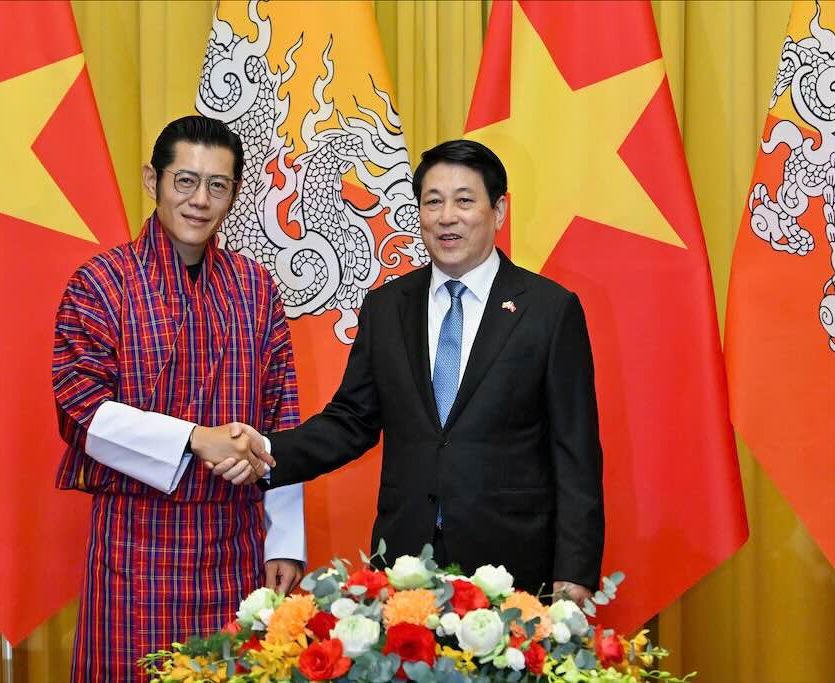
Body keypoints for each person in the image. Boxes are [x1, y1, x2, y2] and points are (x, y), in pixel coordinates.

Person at [221, 139, 604, 603]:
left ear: (498, 210)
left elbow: (575, 452)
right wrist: (263, 449)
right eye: (433, 201)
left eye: (465, 200)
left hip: (514, 567)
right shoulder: (387, 307)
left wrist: (575, 572)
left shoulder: (548, 310)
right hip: (403, 568)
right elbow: (352, 421)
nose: (447, 216)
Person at [53, 115, 304, 681]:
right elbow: (80, 412)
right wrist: (195, 438)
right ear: (153, 180)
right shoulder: (100, 282)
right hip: (134, 546)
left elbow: (282, 413)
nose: (200, 200)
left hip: (235, 545)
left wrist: (284, 540)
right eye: (184, 181)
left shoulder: (256, 287)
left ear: (235, 194)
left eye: (218, 185)